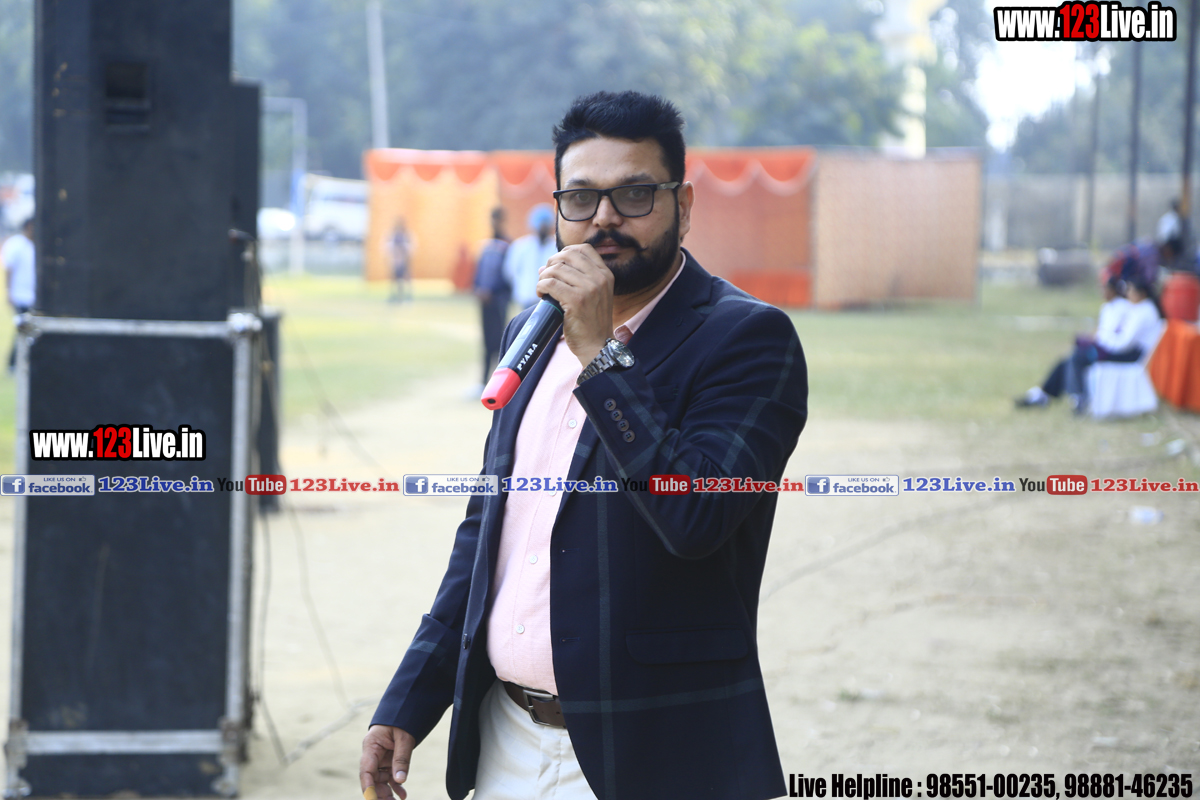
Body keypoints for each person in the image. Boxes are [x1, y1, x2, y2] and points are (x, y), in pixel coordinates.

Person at [360, 91, 807, 800]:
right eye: (580, 196)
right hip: (505, 738)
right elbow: (490, 533)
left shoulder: (747, 339)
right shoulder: (529, 332)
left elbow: (694, 517)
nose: (604, 218)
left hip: (654, 753)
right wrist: (410, 700)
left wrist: (600, 353)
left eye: (634, 193)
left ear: (684, 205)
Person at [1017, 276, 1161, 411]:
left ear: (1141, 293)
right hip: (1119, 350)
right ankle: (1044, 394)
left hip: (1129, 355)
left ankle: (1078, 397)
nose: (1128, 293)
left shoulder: (1141, 311)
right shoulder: (1138, 309)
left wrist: (1100, 341)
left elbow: (1124, 344)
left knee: (1077, 358)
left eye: (1130, 290)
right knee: (1068, 360)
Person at [473, 207, 512, 384]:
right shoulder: (486, 245)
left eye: (497, 219)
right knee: (486, 341)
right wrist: (478, 288)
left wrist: (493, 291)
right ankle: (483, 381)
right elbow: (479, 271)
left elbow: (508, 275)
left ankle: (498, 382)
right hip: (484, 301)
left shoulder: (508, 246)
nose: (494, 222)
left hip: (499, 300)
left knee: (499, 341)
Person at [501, 203, 557, 310]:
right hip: (526, 297)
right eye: (541, 224)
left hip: (549, 299)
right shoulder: (520, 246)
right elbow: (510, 271)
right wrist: (521, 285)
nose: (543, 228)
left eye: (546, 224)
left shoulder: (556, 246)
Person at [1, 216, 35, 372]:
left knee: (30, 329)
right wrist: (8, 292)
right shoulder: (16, 244)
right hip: (20, 295)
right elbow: (8, 269)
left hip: (33, 295)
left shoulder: (34, 244)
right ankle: (13, 364)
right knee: (21, 328)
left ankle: (23, 362)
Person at [389, 220, 413, 303]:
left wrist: (405, 254)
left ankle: (407, 296)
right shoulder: (393, 236)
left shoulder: (407, 236)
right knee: (394, 279)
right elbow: (389, 247)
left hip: (404, 260)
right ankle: (394, 296)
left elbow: (411, 247)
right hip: (396, 260)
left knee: (405, 279)